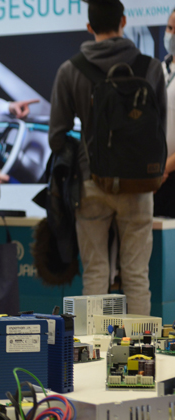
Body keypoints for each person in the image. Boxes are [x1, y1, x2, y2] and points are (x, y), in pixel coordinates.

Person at [49, 0, 166, 315]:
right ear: (124, 21)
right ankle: (140, 352)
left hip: (91, 184)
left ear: (89, 27)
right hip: (139, 186)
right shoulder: (152, 68)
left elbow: (56, 137)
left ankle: (90, 353)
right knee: (136, 275)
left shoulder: (70, 70)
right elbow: (160, 131)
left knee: (96, 273)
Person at [156, 8, 175, 217]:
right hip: (155, 175)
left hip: (168, 171)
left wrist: (166, 168)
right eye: (170, 28)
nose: (171, 34)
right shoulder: (158, 70)